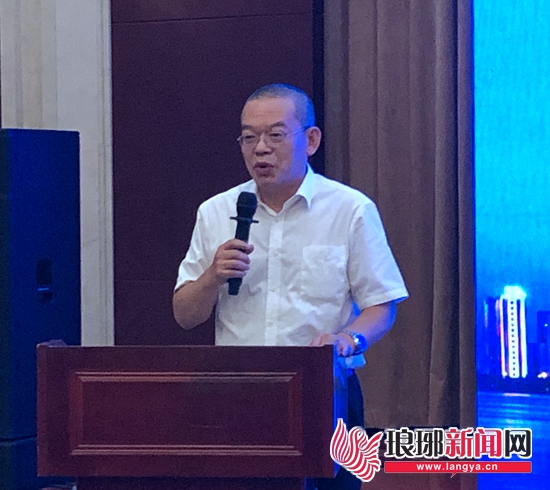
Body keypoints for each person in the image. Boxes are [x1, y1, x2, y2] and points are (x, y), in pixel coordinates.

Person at [173, 83, 408, 489]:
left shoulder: (350, 210)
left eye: (276, 135)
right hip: (236, 394)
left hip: (324, 392)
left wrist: (347, 340)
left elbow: (382, 305)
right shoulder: (215, 211)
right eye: (249, 137)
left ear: (310, 140)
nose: (260, 149)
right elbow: (184, 315)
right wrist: (211, 277)